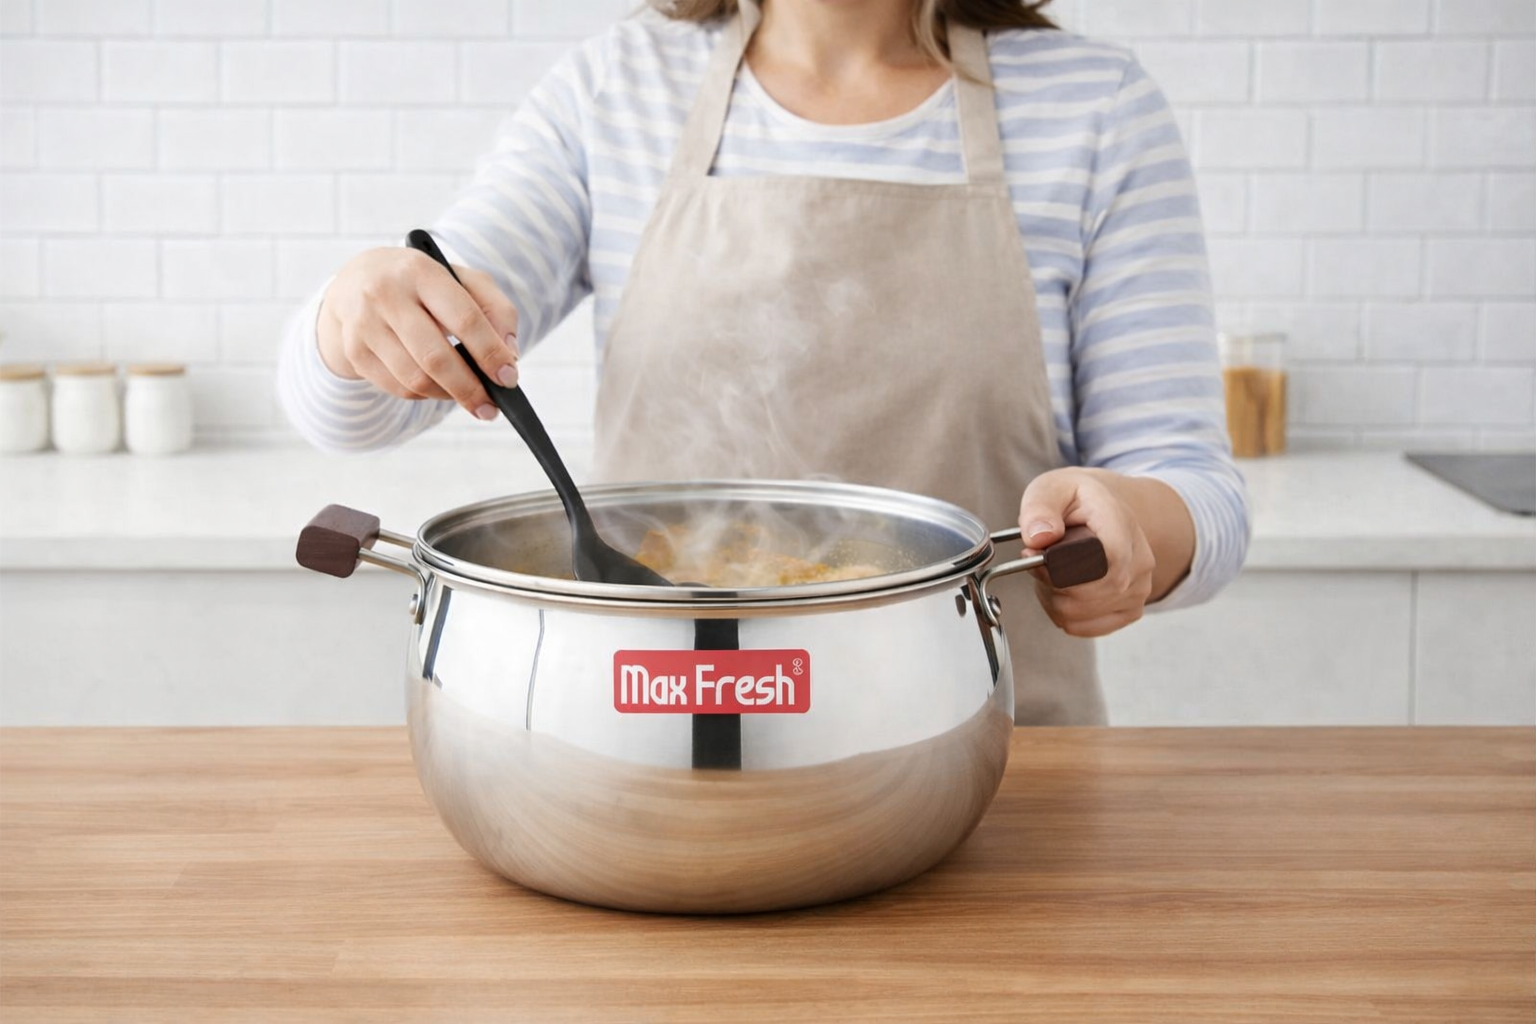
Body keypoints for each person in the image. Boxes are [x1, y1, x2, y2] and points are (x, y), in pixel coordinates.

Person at [277, 0, 1250, 725]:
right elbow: (357, 412)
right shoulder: (618, 91)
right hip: (643, 754)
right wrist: (355, 316)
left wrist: (1135, 533)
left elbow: (1194, 487)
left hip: (986, 768)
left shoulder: (1095, 111)